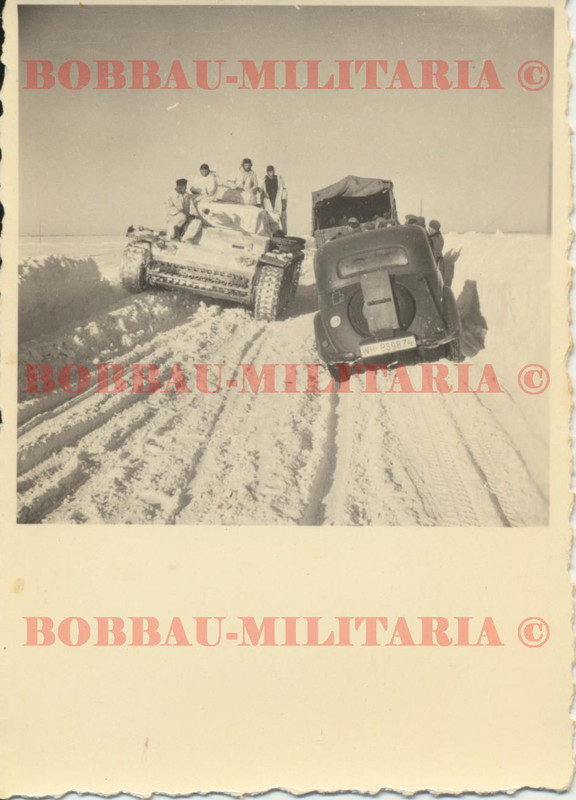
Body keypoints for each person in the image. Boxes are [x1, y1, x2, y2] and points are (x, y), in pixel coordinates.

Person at [261, 165, 288, 233]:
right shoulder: (263, 180)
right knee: (269, 217)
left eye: (272, 171)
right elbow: (261, 192)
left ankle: (281, 232)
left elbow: (284, 190)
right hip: (268, 201)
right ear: (267, 172)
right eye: (269, 171)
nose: (271, 173)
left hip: (277, 201)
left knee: (280, 217)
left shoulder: (279, 179)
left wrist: (284, 200)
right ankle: (271, 233)